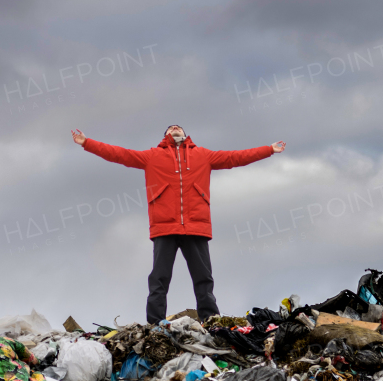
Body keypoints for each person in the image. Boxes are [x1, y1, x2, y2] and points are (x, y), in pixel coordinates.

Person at [72, 125, 285, 324]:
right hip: (164, 227)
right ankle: (156, 323)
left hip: (196, 226)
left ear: (185, 134)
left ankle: (210, 320)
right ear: (165, 136)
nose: (175, 128)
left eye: (178, 127)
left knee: (203, 278)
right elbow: (119, 154)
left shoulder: (203, 155)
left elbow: (235, 157)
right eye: (171, 127)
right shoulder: (152, 156)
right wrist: (86, 142)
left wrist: (269, 149)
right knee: (159, 278)